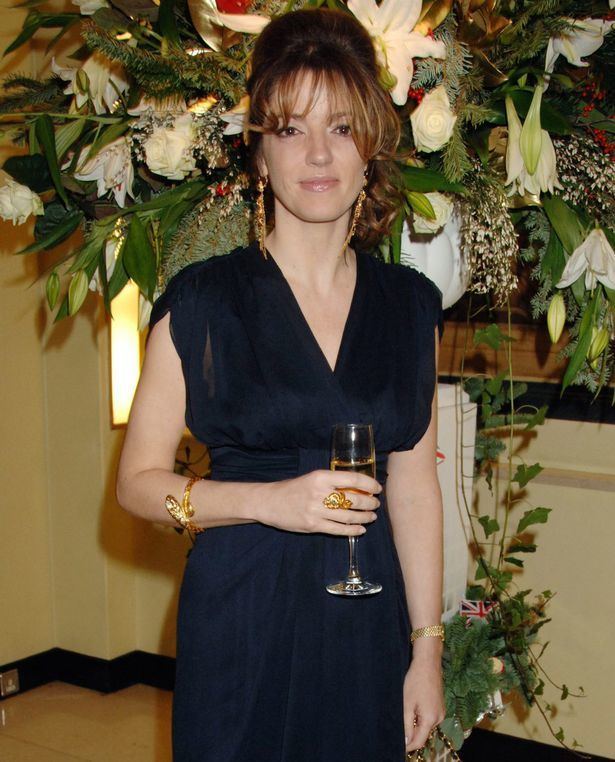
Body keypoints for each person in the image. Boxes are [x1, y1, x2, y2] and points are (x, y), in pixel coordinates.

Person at [116, 7, 446, 761]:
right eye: (291, 129)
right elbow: (136, 484)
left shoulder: (408, 307)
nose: (318, 154)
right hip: (241, 616)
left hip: (366, 625)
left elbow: (414, 488)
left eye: (340, 126)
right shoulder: (202, 302)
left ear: (372, 148)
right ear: (258, 154)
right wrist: (269, 502)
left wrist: (425, 649)